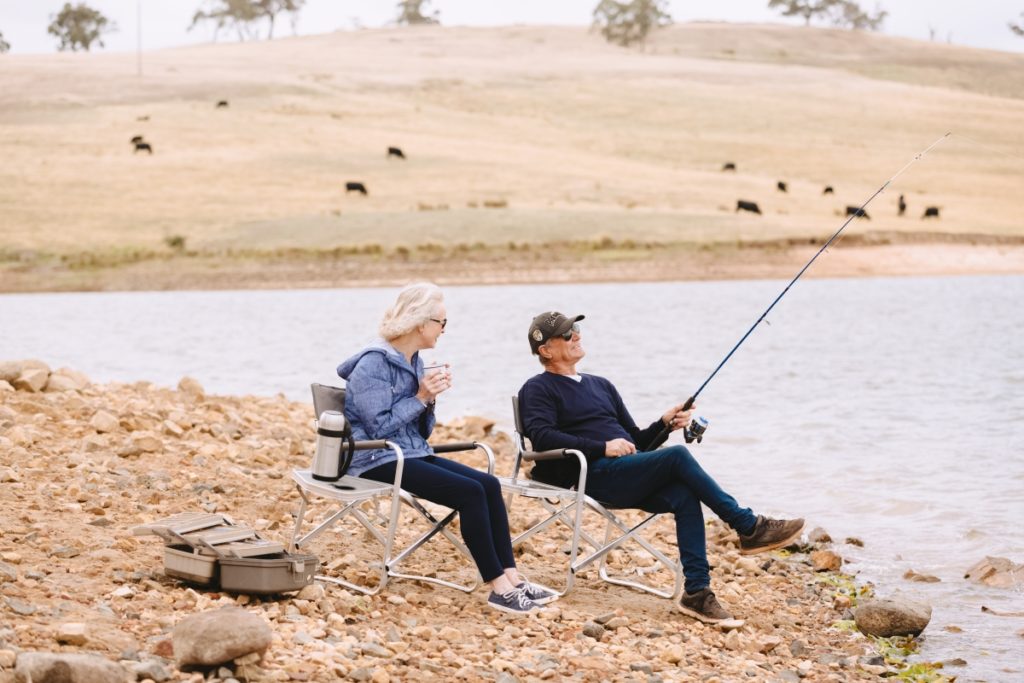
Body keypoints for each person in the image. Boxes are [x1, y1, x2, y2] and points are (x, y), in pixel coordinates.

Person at [517, 311, 805, 627]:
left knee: (683, 494)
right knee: (678, 456)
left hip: (625, 470)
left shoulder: (602, 385)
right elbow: (542, 436)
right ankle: (748, 526)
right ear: (545, 350)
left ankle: (696, 592)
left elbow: (638, 441)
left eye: (577, 329)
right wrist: (602, 447)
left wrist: (665, 424)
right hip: (592, 475)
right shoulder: (538, 388)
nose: (576, 336)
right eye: (567, 333)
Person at [337, 283, 555, 614]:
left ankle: (513, 579)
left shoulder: (415, 361)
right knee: (468, 492)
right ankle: (498, 588)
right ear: (420, 323)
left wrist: (430, 400)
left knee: (489, 484)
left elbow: (421, 430)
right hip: (374, 458)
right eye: (441, 322)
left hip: (410, 452)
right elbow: (380, 428)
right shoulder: (372, 366)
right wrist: (420, 398)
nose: (443, 329)